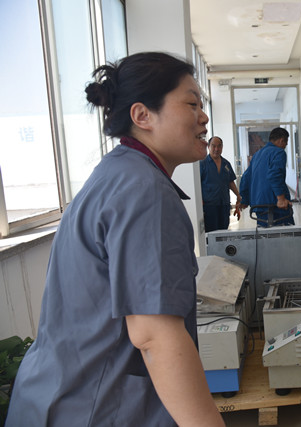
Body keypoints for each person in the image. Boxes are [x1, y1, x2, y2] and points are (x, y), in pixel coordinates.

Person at [6, 52, 225, 426]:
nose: (203, 117)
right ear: (142, 116)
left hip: (60, 395)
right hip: (93, 407)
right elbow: (155, 336)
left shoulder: (118, 174)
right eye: (192, 104)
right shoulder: (144, 192)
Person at [238, 127, 294, 227]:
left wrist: (245, 199)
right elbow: (274, 175)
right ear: (281, 140)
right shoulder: (279, 152)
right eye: (286, 142)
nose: (285, 145)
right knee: (284, 234)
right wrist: (281, 199)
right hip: (275, 205)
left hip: (259, 206)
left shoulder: (257, 155)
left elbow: (246, 177)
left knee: (264, 234)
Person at [200, 136, 241, 232]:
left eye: (219, 146)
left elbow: (231, 182)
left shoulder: (226, 164)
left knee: (224, 230)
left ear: (222, 147)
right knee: (211, 232)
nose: (216, 149)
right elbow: (198, 184)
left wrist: (238, 196)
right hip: (209, 206)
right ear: (208, 147)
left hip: (224, 204)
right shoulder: (203, 163)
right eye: (213, 146)